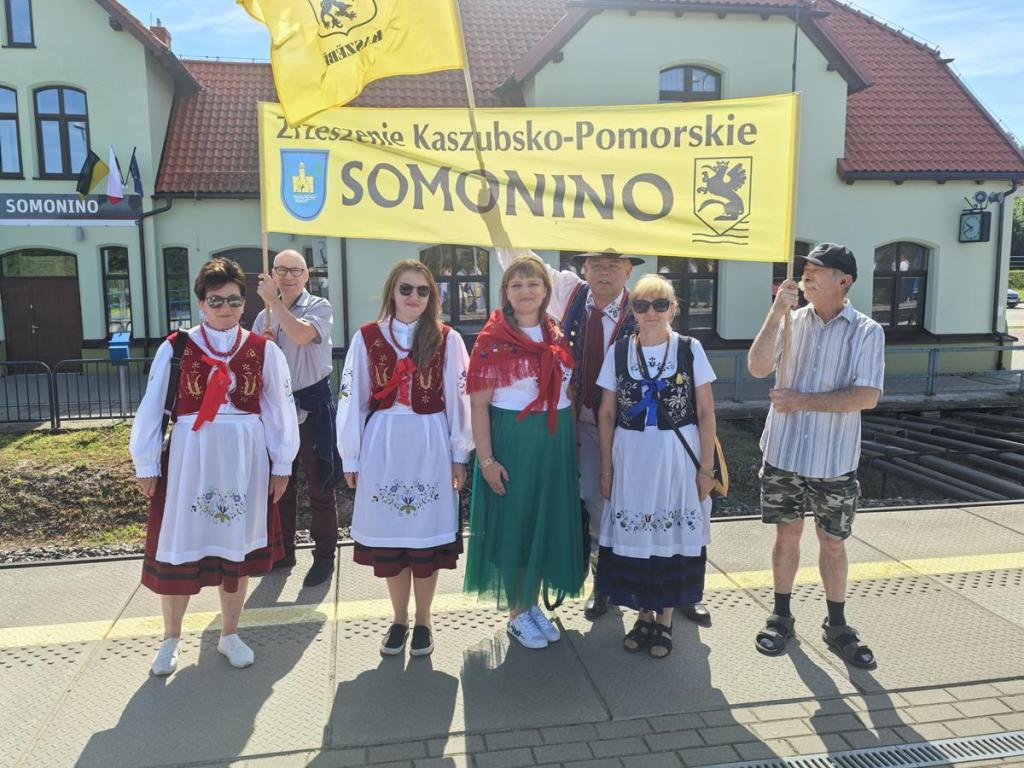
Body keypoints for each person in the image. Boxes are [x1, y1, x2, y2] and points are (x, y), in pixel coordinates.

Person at [130, 258, 299, 676]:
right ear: (202, 303)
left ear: (244, 303)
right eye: (217, 300)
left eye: (234, 300)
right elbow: (153, 406)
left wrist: (282, 463)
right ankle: (171, 638)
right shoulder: (177, 347)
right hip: (191, 458)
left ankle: (229, 633)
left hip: (244, 459)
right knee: (179, 547)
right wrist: (146, 463)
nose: (226, 307)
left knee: (235, 547)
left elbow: (280, 409)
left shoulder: (264, 349)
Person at [747, 243, 884, 669]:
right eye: (805, 268)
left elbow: (866, 396)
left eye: (816, 270)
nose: (806, 274)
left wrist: (801, 401)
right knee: (786, 535)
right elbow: (757, 367)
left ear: (844, 280)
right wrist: (775, 313)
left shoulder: (867, 331)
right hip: (784, 452)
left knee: (833, 542)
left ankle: (837, 625)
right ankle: (781, 616)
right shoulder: (789, 320)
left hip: (833, 460)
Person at [336, 260, 472, 657]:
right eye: (406, 289)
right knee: (393, 541)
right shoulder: (366, 337)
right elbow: (352, 400)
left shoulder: (447, 339)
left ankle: (424, 620)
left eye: (422, 290)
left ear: (432, 296)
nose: (414, 296)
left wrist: (459, 455)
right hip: (383, 445)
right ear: (392, 293)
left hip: (430, 443)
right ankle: (398, 619)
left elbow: (459, 399)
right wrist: (351, 457)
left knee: (424, 541)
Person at [463, 255, 585, 649]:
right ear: (506, 292)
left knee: (542, 523)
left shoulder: (555, 332)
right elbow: (478, 406)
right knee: (516, 523)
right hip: (515, 442)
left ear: (546, 290)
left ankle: (530, 605)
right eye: (516, 285)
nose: (525, 291)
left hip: (554, 442)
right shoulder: (492, 339)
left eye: (533, 284)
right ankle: (517, 613)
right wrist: (486, 460)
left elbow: (566, 390)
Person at [595, 274, 718, 659]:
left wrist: (706, 469)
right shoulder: (619, 351)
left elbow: (705, 410)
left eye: (660, 304)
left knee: (671, 535)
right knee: (638, 537)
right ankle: (643, 615)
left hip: (676, 457)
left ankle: (665, 618)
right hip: (632, 457)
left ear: (673, 308)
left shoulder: (689, 349)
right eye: (642, 305)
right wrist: (605, 469)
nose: (651, 312)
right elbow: (606, 413)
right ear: (632, 310)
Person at [253, 249, 342, 588]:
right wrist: (261, 347)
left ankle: (324, 558)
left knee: (320, 487)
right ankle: (283, 551)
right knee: (280, 487)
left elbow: (303, 335)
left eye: (295, 270)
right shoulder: (262, 317)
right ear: (272, 274)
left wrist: (274, 303)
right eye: (282, 270)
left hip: (313, 405)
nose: (288, 276)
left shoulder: (319, 306)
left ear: (306, 275)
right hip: (277, 409)